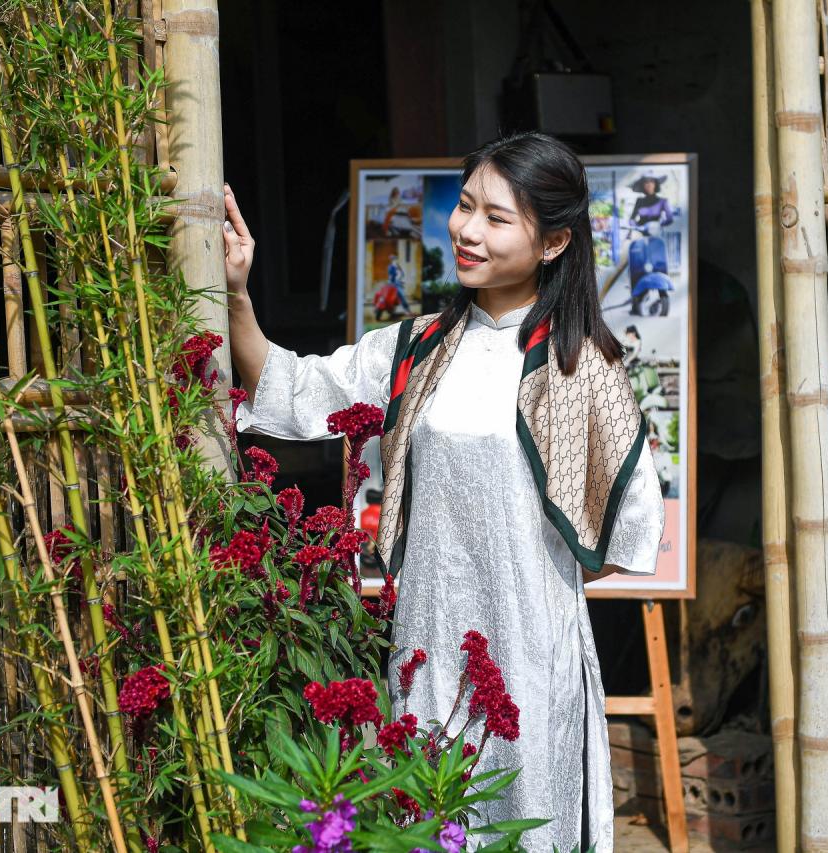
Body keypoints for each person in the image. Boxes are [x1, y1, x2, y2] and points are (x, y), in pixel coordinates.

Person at [222, 132, 664, 852]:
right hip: (426, 646)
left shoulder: (586, 370)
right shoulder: (414, 347)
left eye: (496, 217)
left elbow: (630, 529)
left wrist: (527, 586)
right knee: (423, 824)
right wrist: (238, 295)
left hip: (529, 658)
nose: (465, 229)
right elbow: (293, 391)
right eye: (464, 206)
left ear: (552, 243)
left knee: (525, 830)